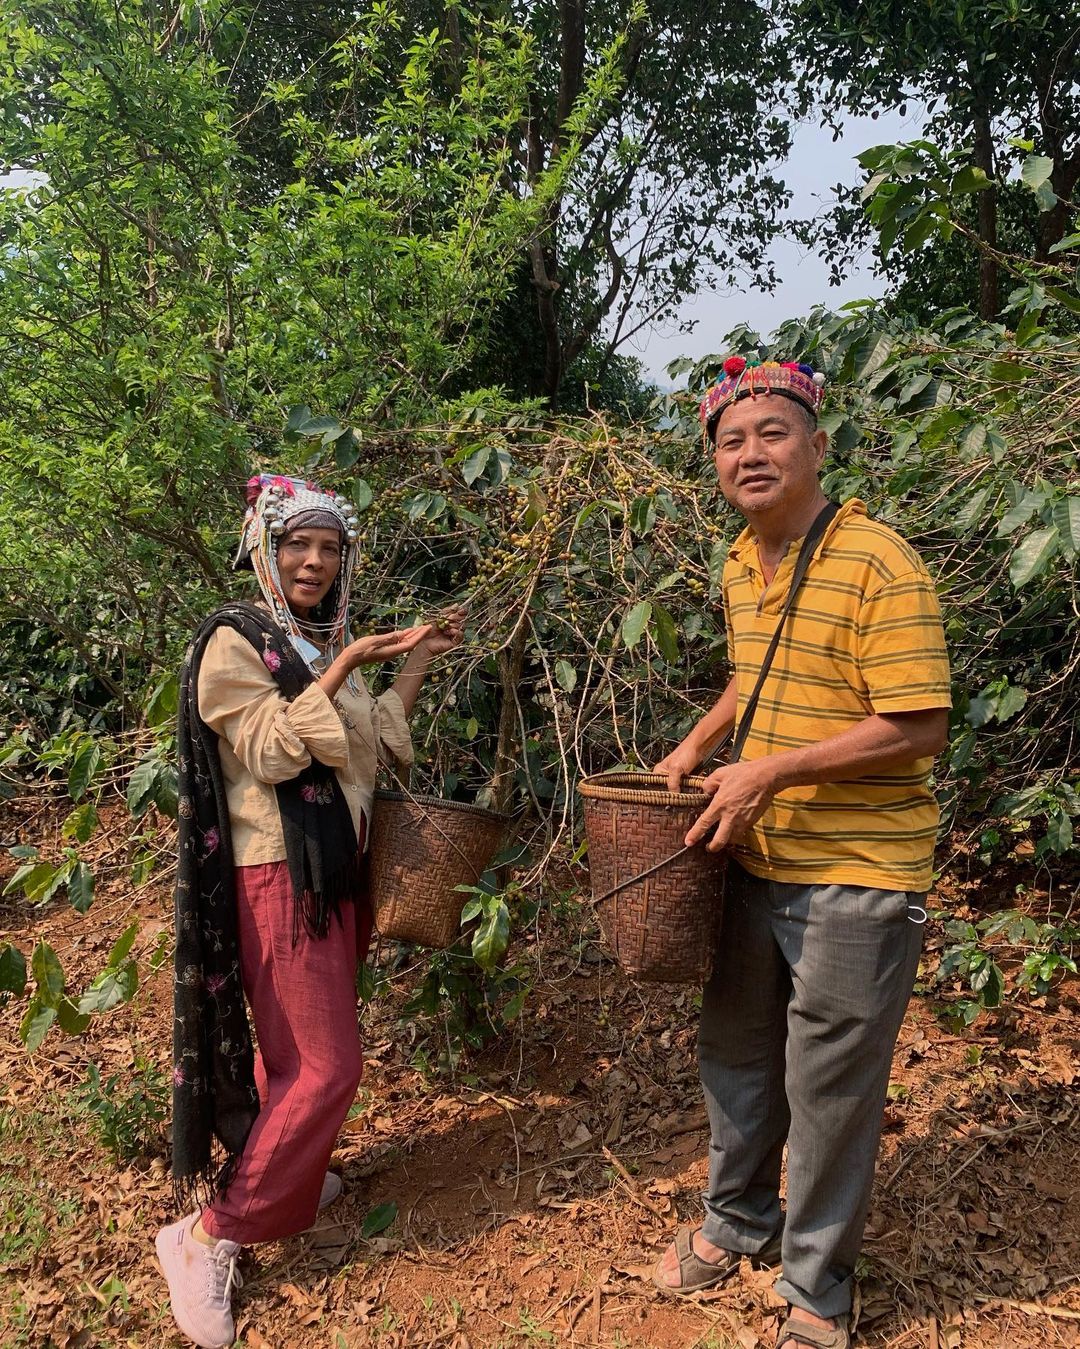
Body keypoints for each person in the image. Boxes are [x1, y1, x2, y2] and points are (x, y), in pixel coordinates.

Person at [650, 358, 951, 1349]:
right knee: (735, 1051)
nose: (750, 452)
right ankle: (738, 1219)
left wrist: (769, 771)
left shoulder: (877, 560)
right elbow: (756, 670)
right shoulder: (744, 558)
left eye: (772, 433)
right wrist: (702, 740)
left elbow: (916, 723)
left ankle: (817, 1287)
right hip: (756, 852)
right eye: (731, 441)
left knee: (828, 1085)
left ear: (817, 447)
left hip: (858, 869)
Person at [155, 473, 464, 1348]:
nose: (316, 561)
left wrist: (412, 661)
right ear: (264, 548)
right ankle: (210, 1235)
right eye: (299, 545)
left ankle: (282, 1176)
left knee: (297, 1054)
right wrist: (348, 662)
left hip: (338, 868)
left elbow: (377, 741)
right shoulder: (236, 641)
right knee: (330, 1068)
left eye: (330, 548)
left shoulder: (315, 640)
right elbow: (274, 750)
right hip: (279, 873)